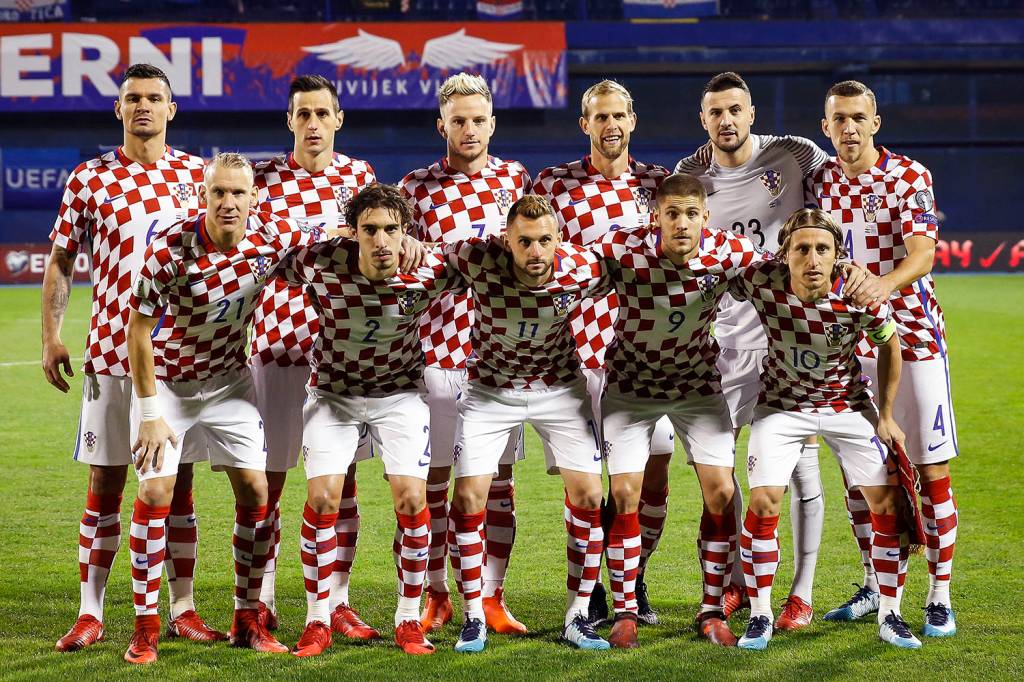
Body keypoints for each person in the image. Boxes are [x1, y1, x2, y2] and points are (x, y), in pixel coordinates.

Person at [123, 152, 331, 663]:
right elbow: (138, 332)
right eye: (219, 193)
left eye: (239, 193)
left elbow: (333, 237)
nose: (229, 202)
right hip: (169, 387)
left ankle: (248, 617)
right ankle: (145, 627)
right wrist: (150, 411)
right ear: (203, 197)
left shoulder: (273, 237)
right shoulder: (171, 249)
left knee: (258, 490)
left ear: (254, 198)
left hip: (230, 383)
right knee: (156, 491)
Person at [43, 63, 220, 653]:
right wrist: (51, 335)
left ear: (172, 110)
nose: (143, 106)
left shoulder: (199, 177)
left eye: (154, 98)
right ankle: (90, 612)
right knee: (105, 481)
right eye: (132, 98)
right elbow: (62, 261)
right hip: (110, 356)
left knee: (179, 487)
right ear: (118, 110)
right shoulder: (90, 179)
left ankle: (184, 609)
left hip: (180, 358)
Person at [675, 71, 831, 629]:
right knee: (719, 468)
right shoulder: (689, 175)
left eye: (735, 109)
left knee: (801, 464)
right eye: (715, 111)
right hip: (722, 341)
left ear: (751, 111)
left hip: (788, 338)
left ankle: (802, 592)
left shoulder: (796, 154)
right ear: (703, 118)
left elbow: (838, 201)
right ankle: (740, 580)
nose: (726, 120)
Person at [279, 183, 460, 657]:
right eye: (370, 230)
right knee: (321, 499)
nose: (382, 241)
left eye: (392, 231)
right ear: (353, 232)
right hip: (333, 394)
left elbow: (480, 260)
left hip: (399, 395)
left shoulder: (428, 269)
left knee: (412, 496)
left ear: (406, 233)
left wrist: (426, 246)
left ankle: (407, 619)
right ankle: (318, 619)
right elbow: (271, 249)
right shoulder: (319, 262)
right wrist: (323, 232)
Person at [730, 208, 920, 651]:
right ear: (786, 254)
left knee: (887, 502)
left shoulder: (859, 294)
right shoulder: (763, 281)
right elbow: (717, 274)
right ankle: (760, 615)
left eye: (822, 250)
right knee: (763, 501)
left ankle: (891, 614)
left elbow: (890, 344)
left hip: (846, 406)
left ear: (837, 256)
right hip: (781, 407)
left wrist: (887, 415)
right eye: (802, 249)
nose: (812, 259)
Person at [593, 173, 767, 647]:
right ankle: (625, 610)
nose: (682, 223)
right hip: (631, 387)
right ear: (656, 217)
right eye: (672, 213)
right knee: (626, 493)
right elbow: (568, 273)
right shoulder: (621, 249)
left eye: (692, 213)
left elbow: (781, 276)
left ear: (705, 217)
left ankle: (712, 610)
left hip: (697, 386)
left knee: (720, 490)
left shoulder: (729, 252)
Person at [811, 80, 959, 637]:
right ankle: (877, 583)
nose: (849, 128)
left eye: (858, 118)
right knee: (862, 478)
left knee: (929, 468)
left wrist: (883, 283)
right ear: (825, 128)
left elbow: (924, 252)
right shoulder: (818, 181)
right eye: (838, 119)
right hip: (849, 347)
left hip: (914, 340)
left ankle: (938, 595)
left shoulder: (908, 176)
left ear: (876, 123)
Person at [533, 80, 673, 626]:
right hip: (580, 353)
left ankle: (632, 578)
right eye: (599, 116)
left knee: (652, 476)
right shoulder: (555, 185)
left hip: (646, 351)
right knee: (588, 483)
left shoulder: (658, 184)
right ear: (584, 124)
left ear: (633, 120)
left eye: (619, 114)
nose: (610, 124)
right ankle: (592, 593)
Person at [445, 195, 609, 653]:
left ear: (559, 238)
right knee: (469, 496)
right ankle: (474, 613)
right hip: (491, 390)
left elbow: (633, 276)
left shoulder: (582, 268)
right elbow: (427, 254)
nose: (536, 252)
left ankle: (578, 615)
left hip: (559, 389)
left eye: (544, 241)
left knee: (591, 495)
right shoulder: (476, 259)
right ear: (506, 241)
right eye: (525, 242)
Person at [401, 72, 531, 635]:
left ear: (492, 123)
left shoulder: (516, 181)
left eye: (478, 119)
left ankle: (492, 596)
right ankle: (435, 593)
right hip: (431, 354)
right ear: (442, 125)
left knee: (496, 482)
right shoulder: (414, 188)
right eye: (458, 120)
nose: (469, 129)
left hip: (498, 358)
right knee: (431, 484)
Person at [249, 74, 378, 638]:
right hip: (276, 352)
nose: (313, 124)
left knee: (341, 483)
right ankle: (264, 598)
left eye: (323, 114)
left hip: (339, 356)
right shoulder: (261, 182)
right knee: (268, 485)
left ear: (339, 119)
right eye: (303, 114)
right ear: (289, 121)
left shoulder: (360, 178)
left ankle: (337, 600)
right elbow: (259, 260)